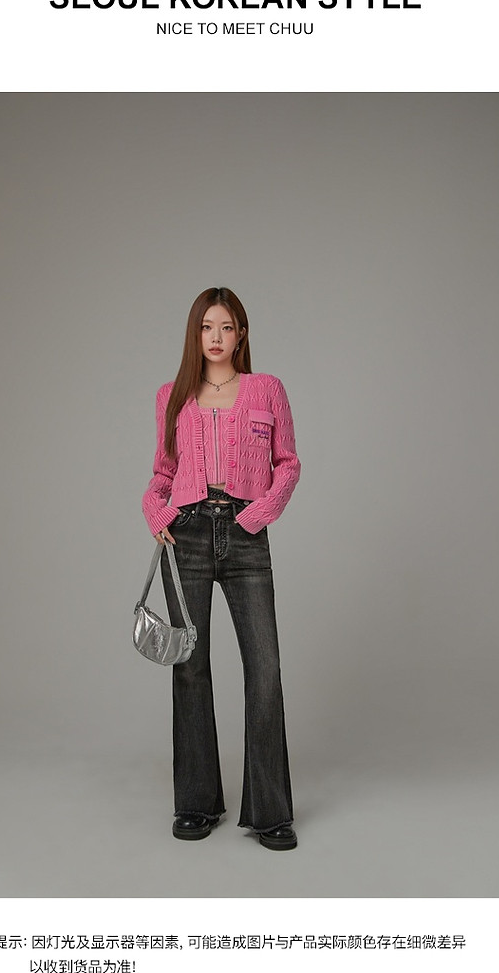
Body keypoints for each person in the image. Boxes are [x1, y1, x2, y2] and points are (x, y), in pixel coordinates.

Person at [142, 287, 301, 851]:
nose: (216, 337)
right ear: (196, 334)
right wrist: (154, 510)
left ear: (241, 334)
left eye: (226, 327)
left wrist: (257, 515)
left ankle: (270, 812)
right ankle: (196, 803)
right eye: (207, 327)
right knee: (190, 668)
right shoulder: (171, 395)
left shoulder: (266, 389)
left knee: (265, 669)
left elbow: (288, 464)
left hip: (244, 534)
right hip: (185, 535)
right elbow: (163, 473)